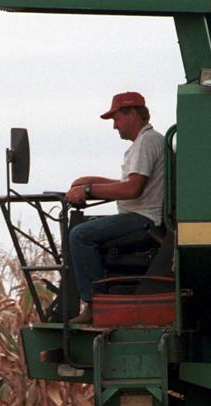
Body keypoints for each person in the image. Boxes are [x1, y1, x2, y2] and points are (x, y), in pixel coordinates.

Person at [65, 91, 166, 323]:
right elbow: (128, 184)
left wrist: (89, 191)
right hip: (141, 215)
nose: (114, 127)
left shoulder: (146, 142)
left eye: (116, 119)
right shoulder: (147, 142)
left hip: (143, 218)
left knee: (80, 235)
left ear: (132, 114)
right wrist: (90, 182)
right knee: (82, 227)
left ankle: (95, 304)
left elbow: (132, 189)